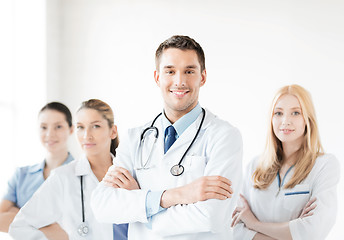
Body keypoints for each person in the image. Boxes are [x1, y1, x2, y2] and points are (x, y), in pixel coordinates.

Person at [91, 35, 243, 240]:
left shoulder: (224, 136)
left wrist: (142, 208)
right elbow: (103, 206)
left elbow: (211, 217)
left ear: (203, 77)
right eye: (170, 71)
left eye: (189, 71)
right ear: (157, 77)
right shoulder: (135, 138)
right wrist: (177, 195)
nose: (179, 81)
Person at [231, 84, 340, 240]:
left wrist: (254, 224)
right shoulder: (254, 167)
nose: (285, 121)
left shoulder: (324, 165)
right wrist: (294, 230)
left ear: (307, 119)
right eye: (278, 113)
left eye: (295, 113)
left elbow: (313, 231)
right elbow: (234, 228)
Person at [9, 99, 128, 240]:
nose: (86, 136)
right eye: (80, 127)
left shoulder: (130, 172)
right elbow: (19, 227)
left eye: (95, 126)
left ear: (113, 131)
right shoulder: (63, 177)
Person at [0, 102, 74, 233]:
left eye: (58, 127)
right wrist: (49, 226)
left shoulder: (81, 176)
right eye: (43, 127)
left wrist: (18, 215)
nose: (50, 134)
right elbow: (1, 220)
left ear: (71, 129)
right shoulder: (21, 175)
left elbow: (71, 230)